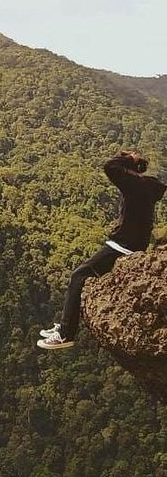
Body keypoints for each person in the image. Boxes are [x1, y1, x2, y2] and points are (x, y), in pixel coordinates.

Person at [37, 150, 166, 350]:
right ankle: (63, 325)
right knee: (82, 274)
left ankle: (65, 334)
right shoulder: (151, 185)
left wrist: (129, 158)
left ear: (129, 172)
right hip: (135, 243)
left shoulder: (134, 185)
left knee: (78, 276)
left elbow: (110, 166)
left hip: (123, 246)